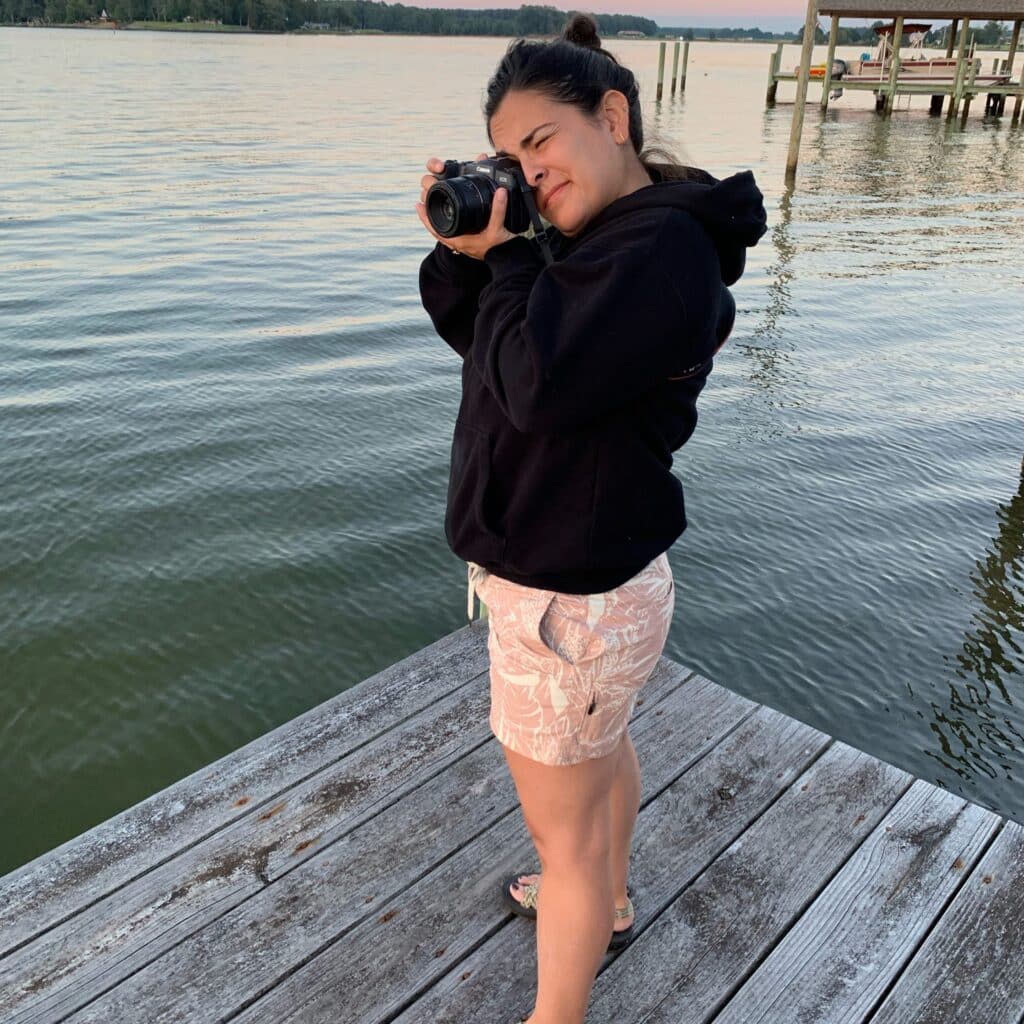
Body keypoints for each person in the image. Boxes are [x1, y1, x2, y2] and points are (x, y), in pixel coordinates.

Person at [415, 14, 766, 1024]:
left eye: (540, 144)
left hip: (568, 602)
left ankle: (559, 997)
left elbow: (536, 384)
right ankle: (602, 899)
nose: (527, 172)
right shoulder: (603, 240)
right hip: (594, 587)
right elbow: (486, 344)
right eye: (507, 155)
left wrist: (516, 256)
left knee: (557, 843)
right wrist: (469, 247)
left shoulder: (653, 248)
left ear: (610, 116)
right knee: (598, 755)